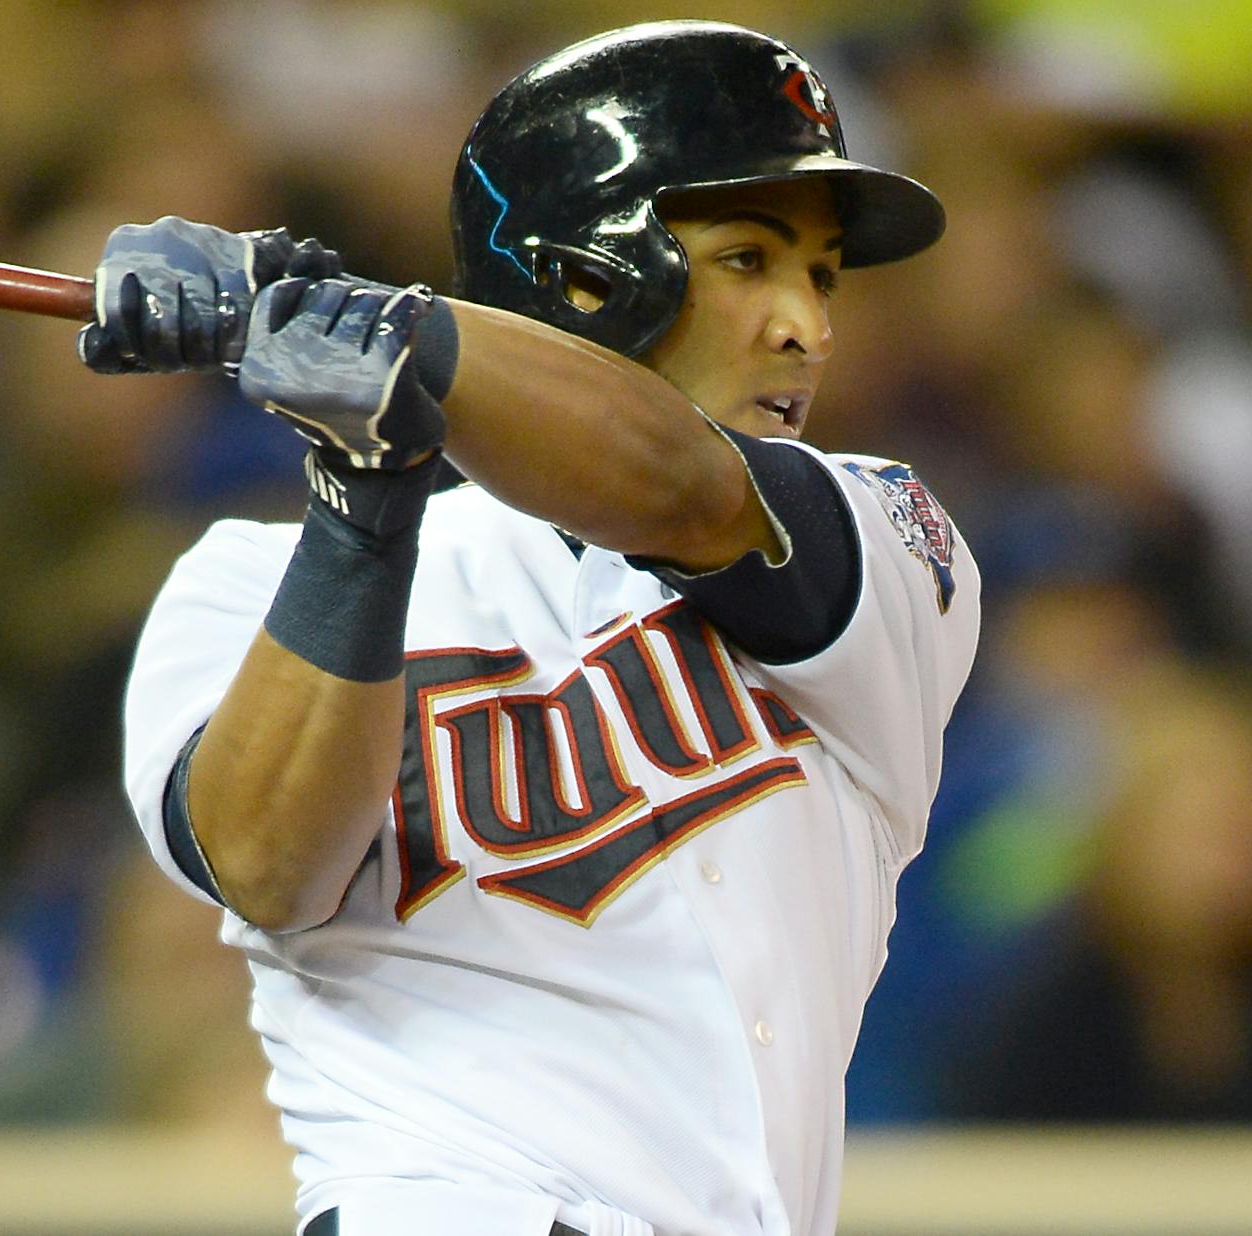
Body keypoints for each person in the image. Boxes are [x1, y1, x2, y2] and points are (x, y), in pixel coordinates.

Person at [105, 21, 980, 1236]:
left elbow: (675, 485)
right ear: (581, 275)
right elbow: (268, 867)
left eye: (821, 276)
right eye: (748, 260)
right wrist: (362, 504)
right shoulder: (244, 581)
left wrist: (387, 332)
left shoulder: (891, 536)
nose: (808, 328)